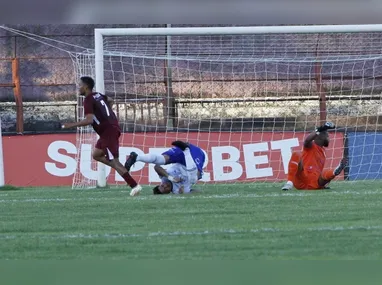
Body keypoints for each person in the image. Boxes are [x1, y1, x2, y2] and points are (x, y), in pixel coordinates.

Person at [61, 76, 141, 195]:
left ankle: (134, 185)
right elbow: (110, 100)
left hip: (107, 131)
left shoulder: (88, 99)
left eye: (80, 85)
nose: (78, 88)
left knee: (114, 160)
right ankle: (121, 169)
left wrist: (69, 125)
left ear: (86, 86)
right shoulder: (98, 95)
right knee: (97, 155)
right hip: (110, 128)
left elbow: (89, 120)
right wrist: (106, 114)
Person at [281, 122, 347, 191]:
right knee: (296, 154)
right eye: (327, 136)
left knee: (324, 175)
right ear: (320, 137)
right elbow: (307, 141)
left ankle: (334, 172)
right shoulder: (311, 146)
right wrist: (321, 129)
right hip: (303, 179)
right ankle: (289, 183)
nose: (329, 139)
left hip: (314, 182)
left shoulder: (323, 152)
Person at [125, 141, 205, 196]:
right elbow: (197, 192)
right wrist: (186, 192)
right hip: (194, 160)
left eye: (162, 186)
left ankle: (137, 157)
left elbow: (157, 167)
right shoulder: (176, 191)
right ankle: (186, 151)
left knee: (163, 159)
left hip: (182, 155)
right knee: (194, 178)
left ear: (160, 184)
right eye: (165, 189)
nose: (165, 186)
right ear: (168, 192)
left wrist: (171, 178)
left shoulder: (165, 179)